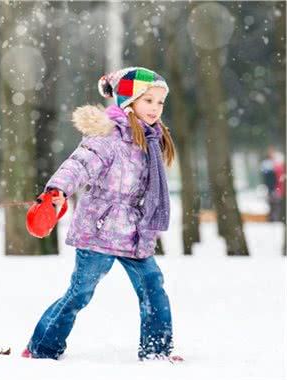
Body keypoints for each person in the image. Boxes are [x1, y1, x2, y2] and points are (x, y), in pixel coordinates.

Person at [22, 67, 182, 362]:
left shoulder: (151, 138)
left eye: (160, 103)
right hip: (99, 229)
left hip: (136, 231)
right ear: (128, 102)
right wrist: (57, 190)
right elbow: (80, 164)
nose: (155, 109)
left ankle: (156, 350)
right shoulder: (107, 136)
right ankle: (42, 347)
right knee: (80, 293)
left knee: (153, 286)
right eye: (148, 101)